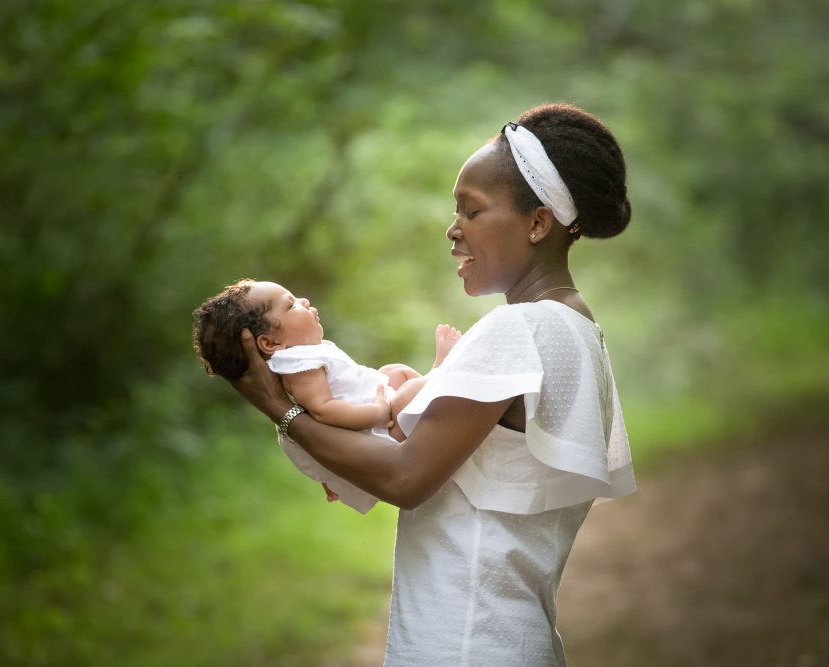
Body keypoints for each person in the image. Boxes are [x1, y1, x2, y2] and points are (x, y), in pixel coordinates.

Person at [229, 103, 636, 665]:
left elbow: (407, 477)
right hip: (511, 638)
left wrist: (282, 411)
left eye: (470, 211)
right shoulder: (576, 328)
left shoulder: (518, 329)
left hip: (464, 642)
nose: (452, 229)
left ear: (538, 223)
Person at [192, 278, 461, 513]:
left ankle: (430, 393)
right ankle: (440, 372)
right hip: (377, 429)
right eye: (291, 304)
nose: (304, 300)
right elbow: (323, 409)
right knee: (410, 390)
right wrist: (379, 412)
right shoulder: (298, 364)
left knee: (395, 372)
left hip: (366, 417)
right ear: (270, 343)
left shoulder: (303, 357)